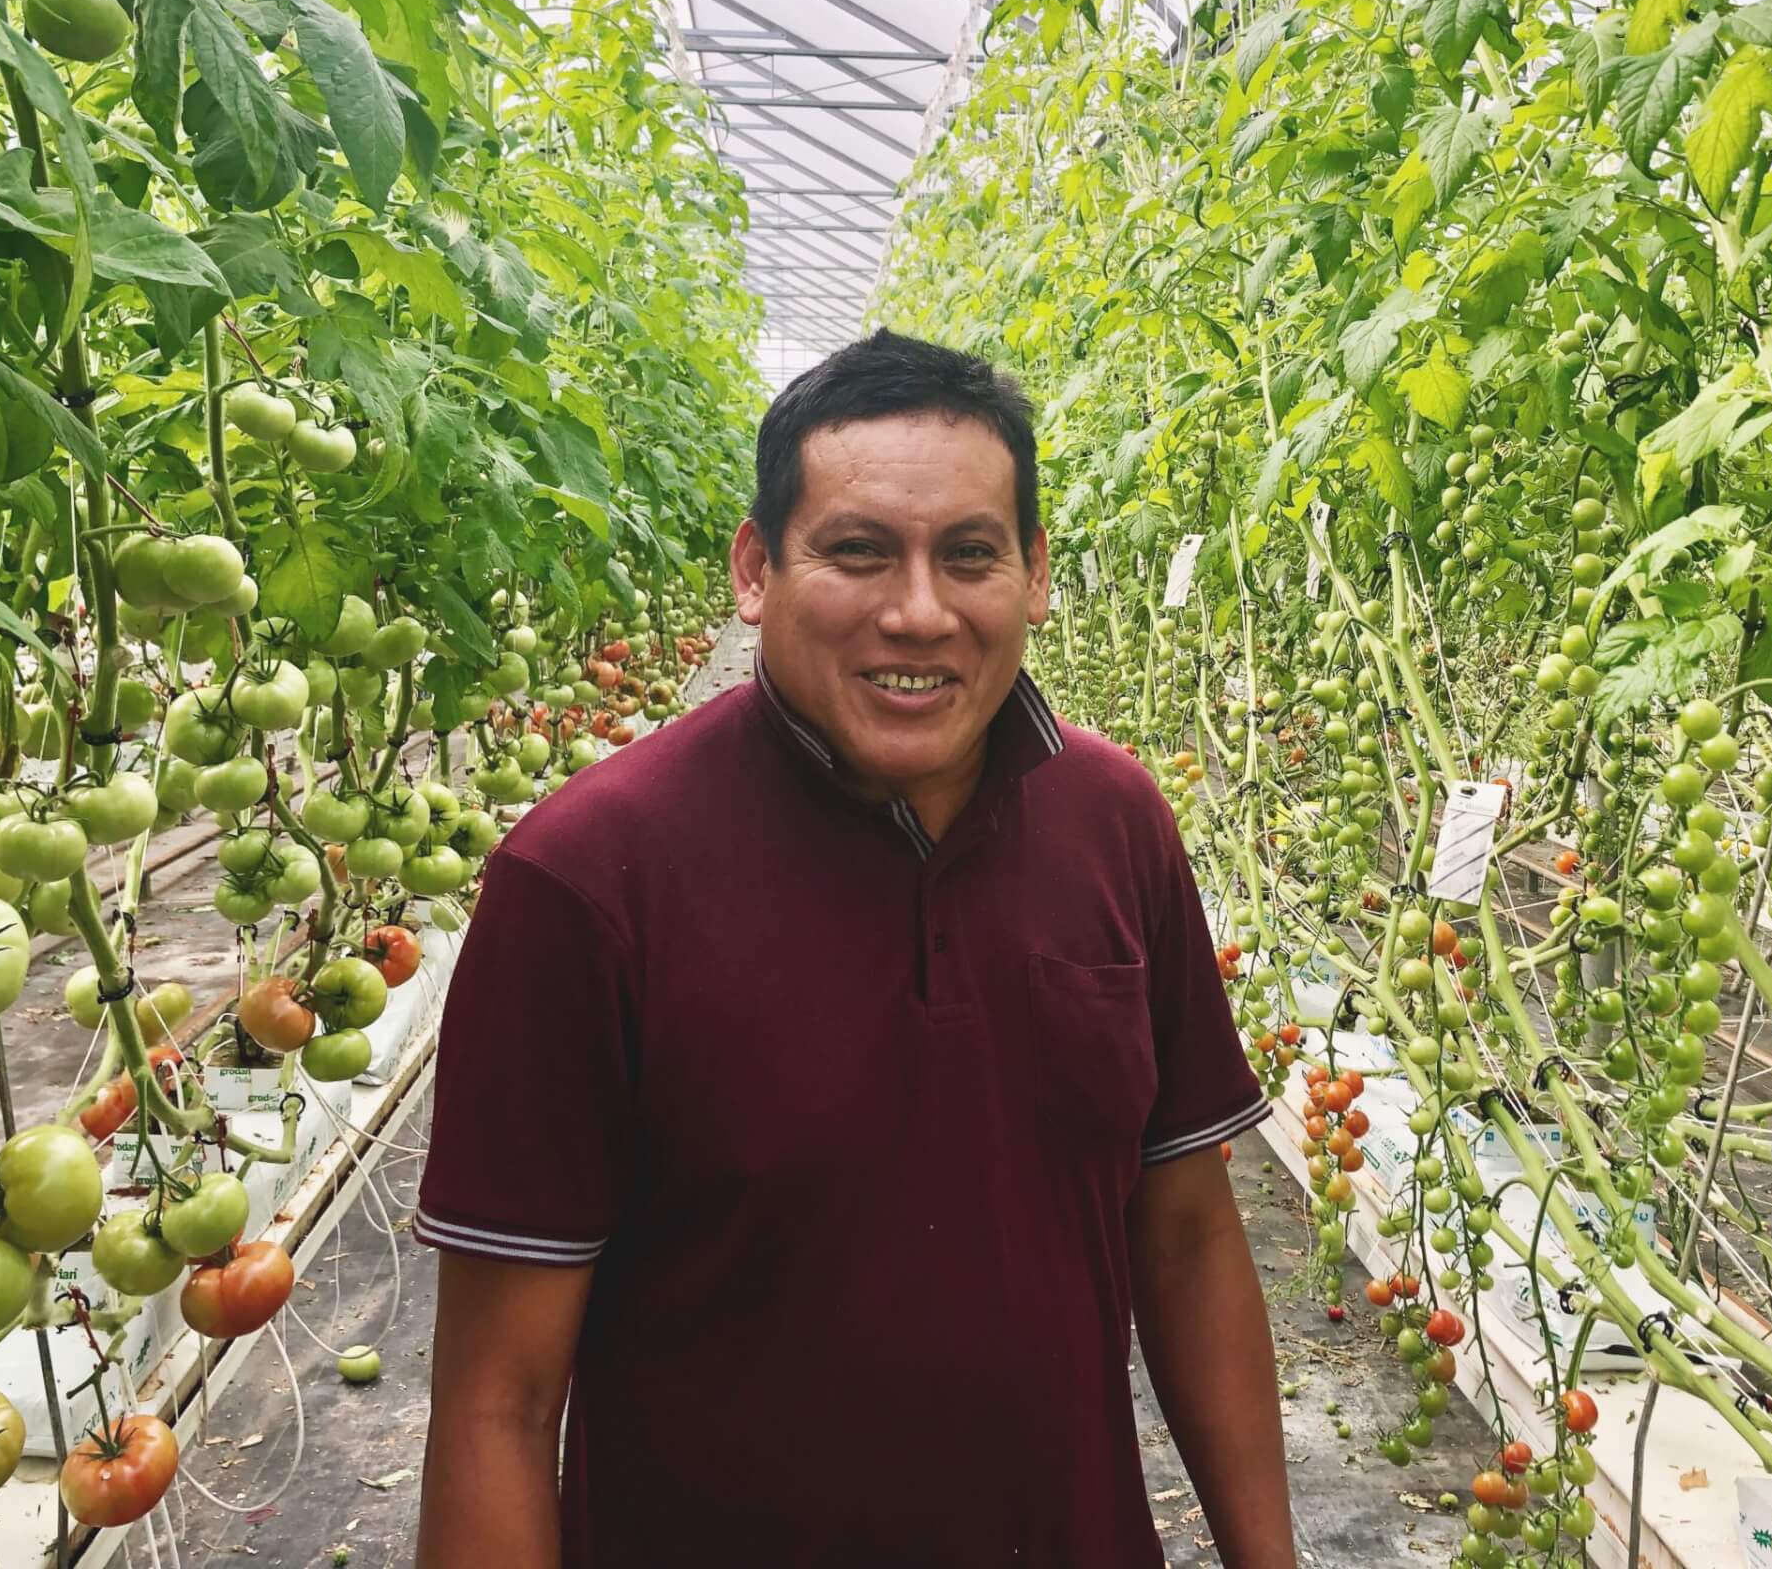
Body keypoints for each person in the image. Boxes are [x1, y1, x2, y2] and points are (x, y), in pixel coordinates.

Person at [413, 330, 1292, 1566]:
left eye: (971, 556)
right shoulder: (585, 880)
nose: (919, 612)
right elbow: (500, 1403)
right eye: (858, 551)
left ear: (1035, 575)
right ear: (756, 570)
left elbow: (1190, 1235)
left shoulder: (1113, 823)